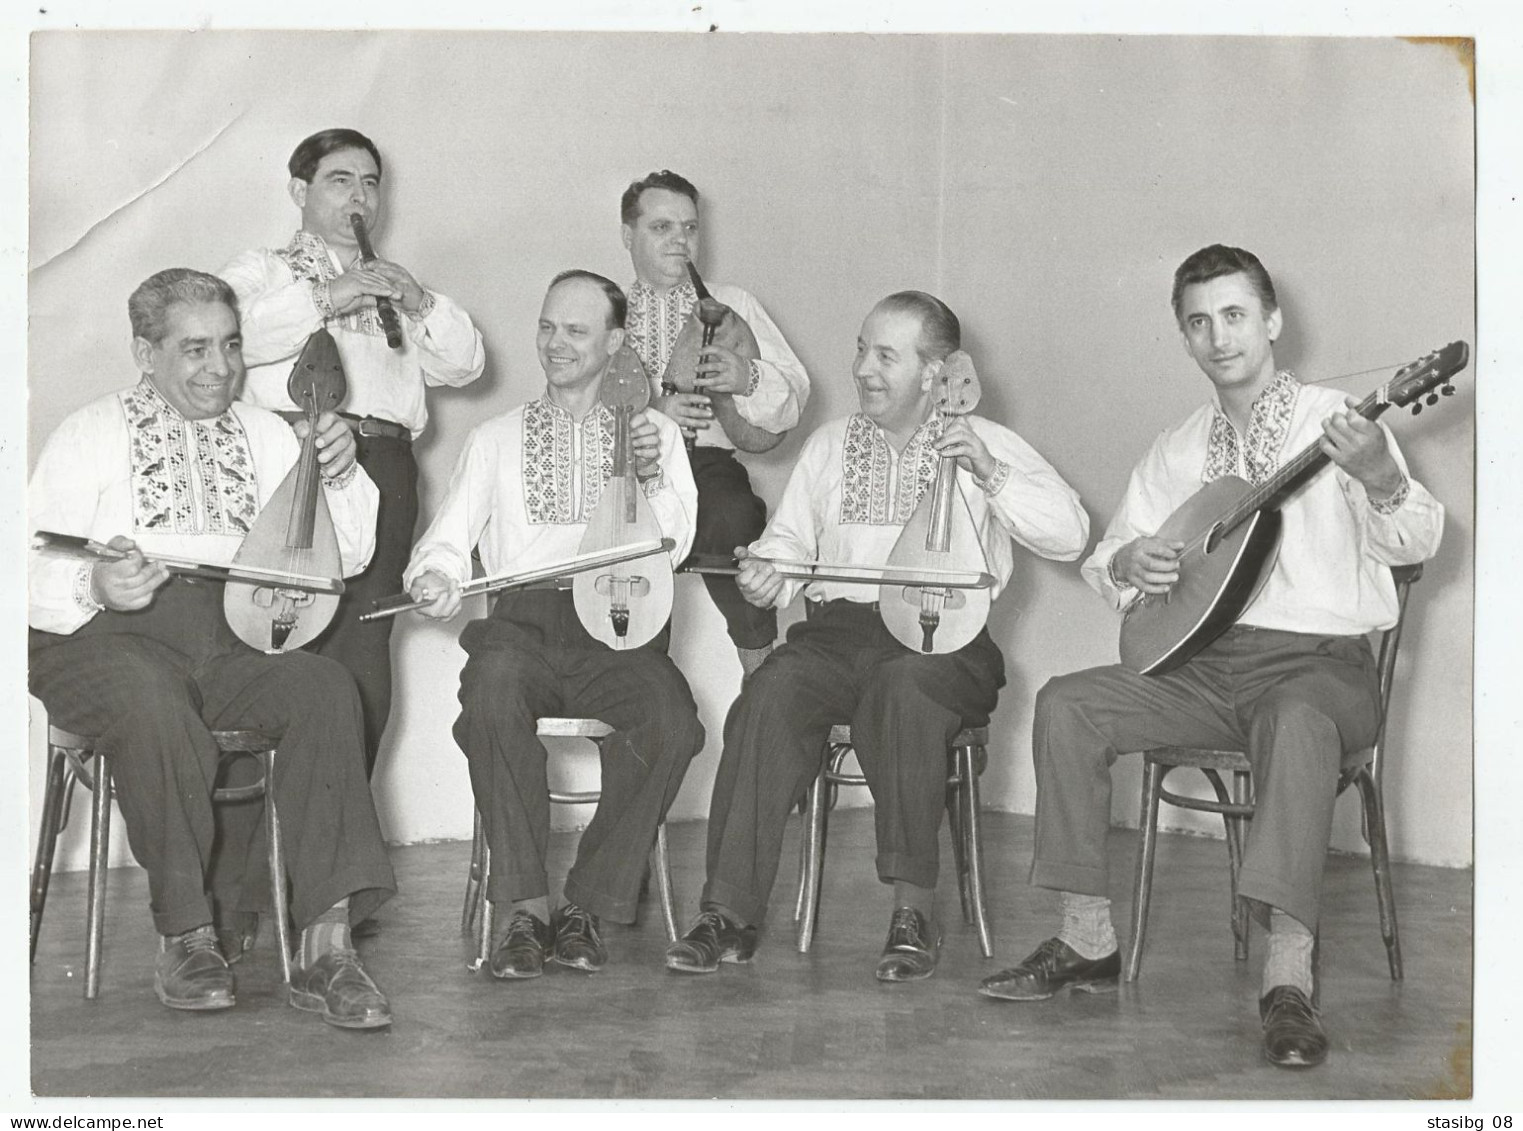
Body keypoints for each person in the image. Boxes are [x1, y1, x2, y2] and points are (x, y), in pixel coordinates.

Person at [979, 245, 1444, 1069]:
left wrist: (1377, 478)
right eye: (1198, 321)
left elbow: (1414, 541)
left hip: (1320, 668)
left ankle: (1286, 980)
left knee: (1297, 721)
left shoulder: (1339, 421)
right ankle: (1086, 938)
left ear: (1270, 321)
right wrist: (1130, 564)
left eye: (1233, 315)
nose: (1217, 335)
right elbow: (1111, 553)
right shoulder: (1179, 444)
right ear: (1184, 339)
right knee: (1067, 702)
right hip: (1204, 670)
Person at [665, 291, 1088, 982]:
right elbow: (789, 544)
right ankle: (727, 912)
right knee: (768, 690)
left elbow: (1069, 534)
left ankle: (912, 909)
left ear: (935, 372)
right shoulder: (831, 444)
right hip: (834, 632)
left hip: (943, 642)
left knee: (904, 686)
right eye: (861, 348)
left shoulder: (984, 441)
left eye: (884, 355)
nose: (863, 367)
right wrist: (768, 574)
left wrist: (987, 468)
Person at [28, 269, 396, 1029]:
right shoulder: (88, 430)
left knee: (326, 685)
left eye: (230, 346)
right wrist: (97, 581)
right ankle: (188, 936)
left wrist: (342, 470)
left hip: (225, 645)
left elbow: (348, 556)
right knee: (149, 696)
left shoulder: (267, 432)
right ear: (145, 351)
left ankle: (327, 946)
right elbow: (24, 562)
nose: (220, 367)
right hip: (102, 646)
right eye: (194, 349)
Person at [403, 270, 703, 979]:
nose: (555, 343)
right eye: (546, 327)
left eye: (575, 330)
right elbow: (448, 536)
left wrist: (651, 480)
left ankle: (588, 904)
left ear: (615, 341)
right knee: (491, 695)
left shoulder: (655, 433)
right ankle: (523, 909)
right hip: (523, 621)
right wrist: (434, 576)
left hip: (621, 620)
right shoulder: (496, 437)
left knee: (671, 720)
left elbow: (678, 545)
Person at [220, 128, 487, 775]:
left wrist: (416, 300)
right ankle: (268, 833)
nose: (359, 196)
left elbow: (466, 364)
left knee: (366, 642)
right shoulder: (266, 269)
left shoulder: (397, 283)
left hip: (388, 464)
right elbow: (226, 335)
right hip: (294, 460)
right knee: (281, 636)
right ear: (299, 190)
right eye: (341, 180)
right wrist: (330, 296)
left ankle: (343, 832)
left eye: (370, 183)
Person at [619, 170, 810, 680]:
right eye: (662, 227)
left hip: (709, 466)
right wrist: (654, 415)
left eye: (689, 228)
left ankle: (761, 672)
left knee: (734, 516)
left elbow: (792, 394)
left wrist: (745, 376)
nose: (680, 241)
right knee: (631, 554)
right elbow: (576, 407)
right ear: (628, 234)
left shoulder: (733, 304)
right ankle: (640, 681)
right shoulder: (605, 310)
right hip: (627, 472)